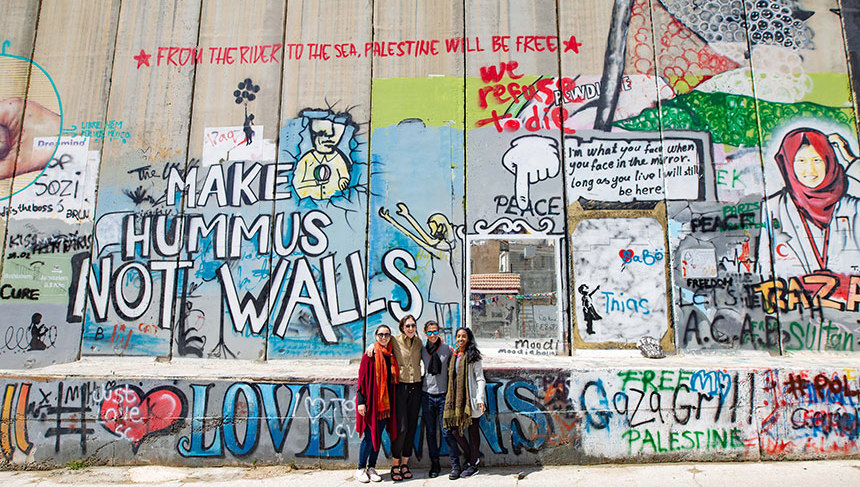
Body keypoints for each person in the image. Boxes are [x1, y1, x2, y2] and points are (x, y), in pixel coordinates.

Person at [763, 127, 860, 275]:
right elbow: (764, 268)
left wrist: (852, 162)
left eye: (817, 160)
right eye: (801, 161)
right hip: (792, 297)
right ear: (788, 164)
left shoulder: (852, 208)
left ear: (829, 161)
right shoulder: (774, 208)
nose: (810, 169)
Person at [355, 324, 399, 483]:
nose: (384, 338)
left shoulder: (391, 355)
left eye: (387, 335)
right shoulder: (370, 355)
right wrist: (361, 402)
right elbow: (361, 380)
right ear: (375, 336)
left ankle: (371, 467)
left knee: (377, 436)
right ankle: (360, 468)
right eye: (381, 335)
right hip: (371, 404)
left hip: (385, 405)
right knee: (368, 436)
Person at [444, 327, 486, 478]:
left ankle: (473, 464)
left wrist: (480, 398)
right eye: (458, 336)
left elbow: (480, 378)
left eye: (464, 336)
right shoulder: (455, 355)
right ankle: (472, 458)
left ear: (468, 339)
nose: (461, 339)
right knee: (454, 431)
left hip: (472, 399)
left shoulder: (474, 356)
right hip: (457, 400)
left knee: (473, 431)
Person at [420, 320, 459, 478]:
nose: (433, 335)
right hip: (427, 394)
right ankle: (435, 465)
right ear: (425, 333)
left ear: (439, 332)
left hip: (443, 395)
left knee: (446, 432)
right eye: (429, 332)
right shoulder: (421, 350)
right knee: (430, 432)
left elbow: (460, 356)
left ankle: (455, 465)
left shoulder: (447, 349)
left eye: (435, 331)